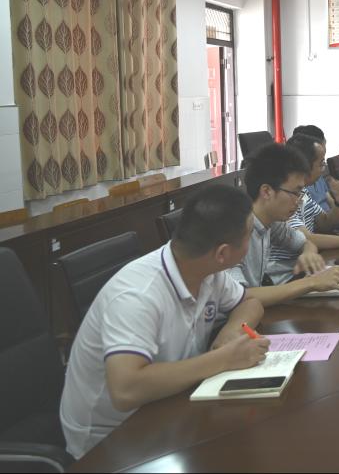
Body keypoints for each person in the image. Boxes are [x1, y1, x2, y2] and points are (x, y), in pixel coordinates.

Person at [60, 185, 270, 459]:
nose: (250, 242)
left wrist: (231, 331)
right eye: (248, 235)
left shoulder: (205, 270)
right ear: (222, 253)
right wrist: (224, 359)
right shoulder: (138, 296)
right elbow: (126, 390)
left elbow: (249, 302)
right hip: (108, 442)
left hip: (170, 408)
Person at [231, 143, 339, 305]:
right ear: (266, 191)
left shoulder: (271, 223)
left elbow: (307, 242)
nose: (299, 202)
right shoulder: (234, 232)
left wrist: (308, 254)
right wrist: (311, 282)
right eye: (295, 193)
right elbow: (238, 298)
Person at [293, 124, 339, 213]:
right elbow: (319, 219)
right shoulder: (299, 190)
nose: (323, 167)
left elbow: (328, 206)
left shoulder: (318, 175)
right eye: (321, 162)